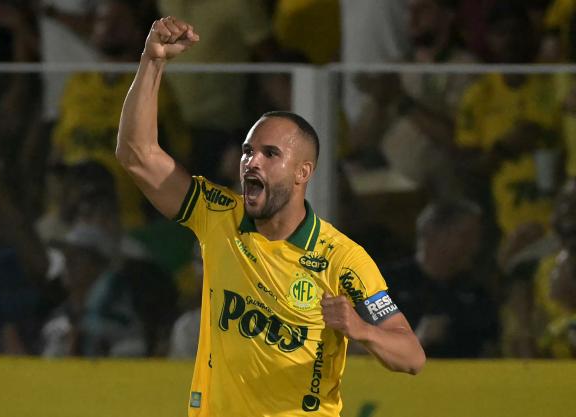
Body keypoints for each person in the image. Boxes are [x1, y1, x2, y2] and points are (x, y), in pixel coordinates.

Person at [116, 16, 425, 416]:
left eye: (270, 154)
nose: (251, 162)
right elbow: (136, 155)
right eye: (247, 151)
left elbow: (412, 356)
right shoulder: (218, 215)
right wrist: (152, 60)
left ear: (303, 173)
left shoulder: (342, 259)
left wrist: (362, 329)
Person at [382, 200, 499, 358]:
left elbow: (492, 351)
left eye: (477, 238)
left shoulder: (477, 293)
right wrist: (418, 340)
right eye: (466, 237)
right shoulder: (386, 283)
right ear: (433, 234)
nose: (475, 246)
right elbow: (355, 347)